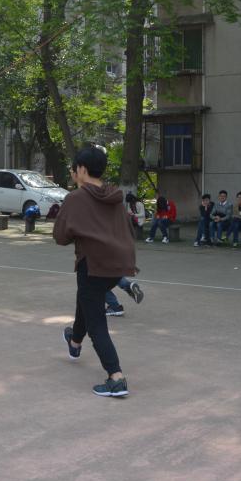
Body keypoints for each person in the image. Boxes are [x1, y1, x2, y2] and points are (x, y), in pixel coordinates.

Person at [54, 146, 136, 397]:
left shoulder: (76, 198)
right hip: (117, 266)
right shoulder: (115, 196)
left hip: (92, 265)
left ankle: (116, 377)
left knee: (96, 322)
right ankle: (74, 341)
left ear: (81, 169)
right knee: (87, 300)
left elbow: (60, 236)